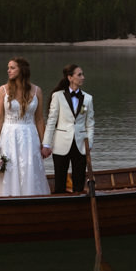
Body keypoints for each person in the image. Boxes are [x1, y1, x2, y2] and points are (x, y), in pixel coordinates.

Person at [0, 57, 49, 197]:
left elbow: (39, 119)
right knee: (10, 166)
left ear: (22, 70)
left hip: (30, 136)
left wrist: (45, 143)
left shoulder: (37, 91)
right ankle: (8, 196)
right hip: (9, 135)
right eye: (8, 68)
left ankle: (31, 195)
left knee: (29, 166)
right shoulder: (3, 90)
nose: (9, 70)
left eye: (12, 68)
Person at [42, 63, 93, 194]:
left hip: (80, 143)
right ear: (70, 78)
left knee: (79, 180)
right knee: (60, 180)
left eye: (82, 74)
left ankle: (78, 202)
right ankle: (60, 202)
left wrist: (90, 143)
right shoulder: (57, 96)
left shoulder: (88, 98)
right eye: (79, 75)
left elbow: (90, 123)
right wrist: (46, 144)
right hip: (61, 143)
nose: (83, 77)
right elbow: (51, 121)